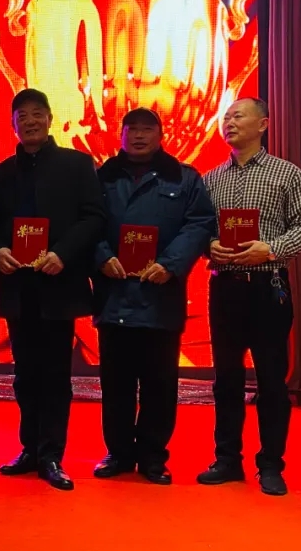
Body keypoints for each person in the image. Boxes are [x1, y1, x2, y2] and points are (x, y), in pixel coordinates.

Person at [0, 89, 105, 491]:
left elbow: (93, 218)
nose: (30, 122)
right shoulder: (1, 173)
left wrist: (63, 254)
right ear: (13, 124)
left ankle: (52, 454)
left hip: (59, 284)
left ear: (50, 119)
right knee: (24, 375)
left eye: (37, 114)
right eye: (22, 116)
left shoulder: (77, 164)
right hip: (18, 287)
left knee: (55, 374)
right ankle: (30, 449)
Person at [200, 97, 301, 496]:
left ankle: (270, 464)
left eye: (238, 116)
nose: (229, 122)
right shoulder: (211, 179)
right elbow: (198, 227)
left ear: (263, 124)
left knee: (271, 380)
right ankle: (227, 459)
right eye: (226, 117)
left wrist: (270, 249)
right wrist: (209, 245)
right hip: (224, 287)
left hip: (268, 287)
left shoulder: (287, 173)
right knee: (226, 379)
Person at [92, 108, 215, 485]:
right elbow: (87, 222)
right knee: (116, 383)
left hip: (160, 294)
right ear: (121, 135)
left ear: (161, 135)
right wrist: (102, 257)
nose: (139, 136)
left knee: (160, 383)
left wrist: (170, 264)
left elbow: (199, 224)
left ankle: (153, 457)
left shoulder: (184, 177)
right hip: (114, 294)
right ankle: (117, 453)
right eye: (131, 130)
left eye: (147, 130)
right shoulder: (102, 177)